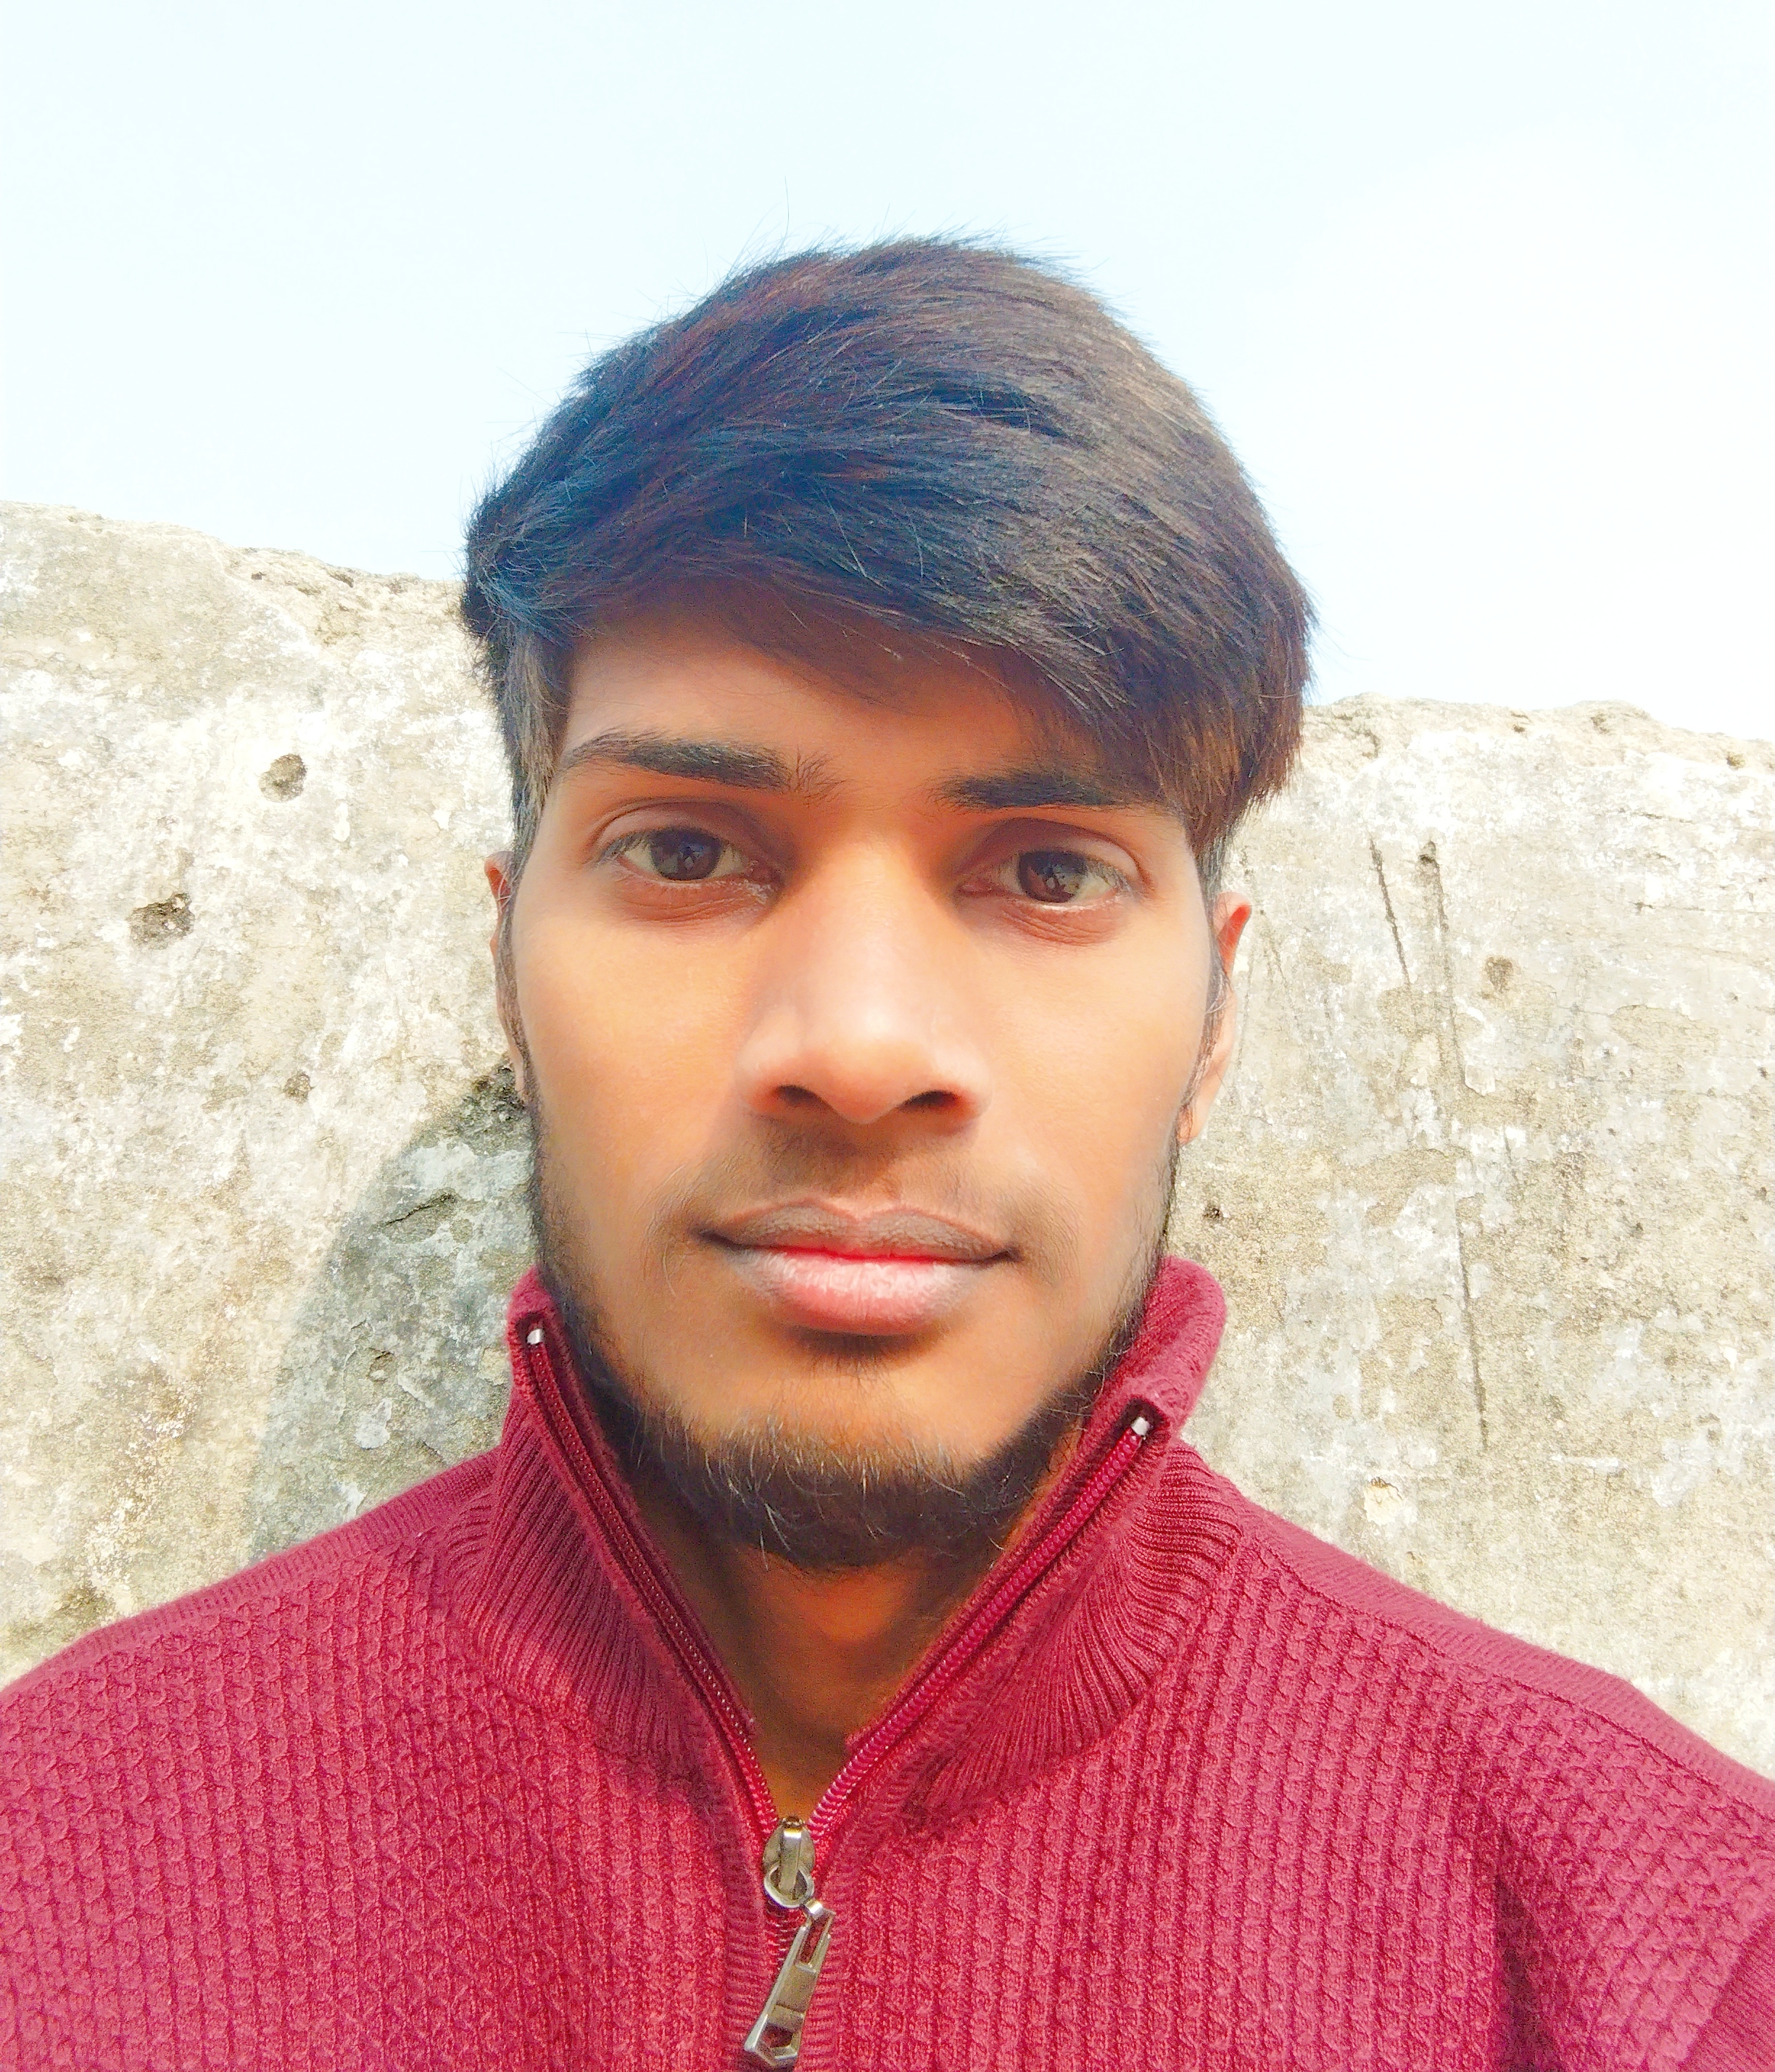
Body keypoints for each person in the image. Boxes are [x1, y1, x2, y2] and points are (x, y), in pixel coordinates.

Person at [1, 241, 1770, 2071]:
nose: (858, 1050)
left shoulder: (1657, 1962)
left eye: (1050, 872)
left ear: (1216, 1019)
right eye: (686, 852)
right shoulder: (50, 1881)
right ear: (508, 974)